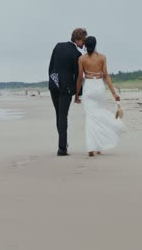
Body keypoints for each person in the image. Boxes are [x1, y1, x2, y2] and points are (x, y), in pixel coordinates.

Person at [76, 35, 124, 156]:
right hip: (99, 87)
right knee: (99, 114)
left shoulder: (82, 59)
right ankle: (98, 146)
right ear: (95, 45)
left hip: (89, 88)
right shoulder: (102, 58)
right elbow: (106, 76)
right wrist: (114, 93)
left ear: (85, 46)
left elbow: (80, 79)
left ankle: (92, 148)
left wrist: (76, 95)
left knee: (91, 117)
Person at [47, 28, 87, 156]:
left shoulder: (58, 46)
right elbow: (78, 76)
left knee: (58, 115)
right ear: (78, 39)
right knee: (63, 116)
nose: (84, 44)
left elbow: (51, 65)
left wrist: (51, 80)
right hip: (66, 87)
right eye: (83, 41)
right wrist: (77, 93)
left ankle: (63, 144)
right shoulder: (77, 55)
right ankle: (62, 148)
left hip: (53, 83)